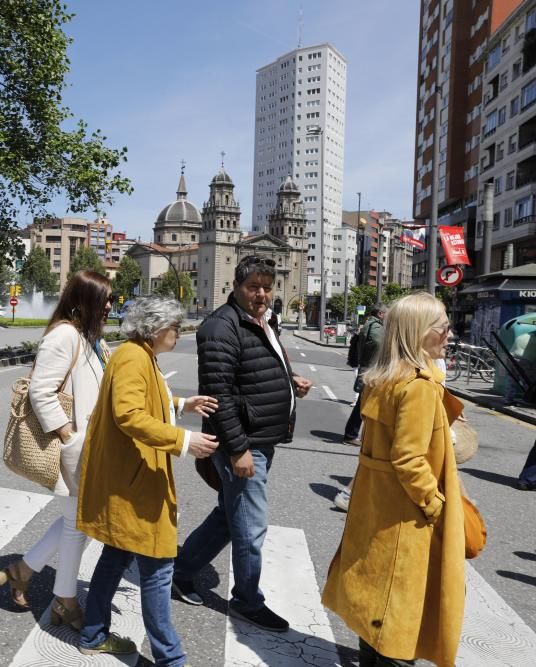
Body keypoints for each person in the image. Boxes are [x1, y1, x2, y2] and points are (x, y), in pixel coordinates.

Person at [322, 292, 465, 667]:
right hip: (405, 515)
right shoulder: (417, 386)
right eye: (443, 328)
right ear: (420, 333)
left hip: (376, 507)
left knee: (374, 614)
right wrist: (434, 504)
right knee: (399, 626)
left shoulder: (384, 378)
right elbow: (409, 458)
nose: (449, 335)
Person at [172, 255, 312, 633]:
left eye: (267, 287)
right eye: (254, 287)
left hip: (261, 437)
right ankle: (248, 601)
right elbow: (219, 394)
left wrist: (290, 379)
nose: (262, 294)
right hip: (243, 442)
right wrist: (237, 450)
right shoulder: (220, 327)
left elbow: (253, 370)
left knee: (229, 515)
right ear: (236, 286)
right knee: (250, 525)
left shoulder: (259, 321)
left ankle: (181, 571)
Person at [76, 297, 220, 665]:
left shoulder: (138, 355)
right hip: (135, 482)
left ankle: (92, 633)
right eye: (175, 327)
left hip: (132, 479)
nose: (177, 332)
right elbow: (129, 413)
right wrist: (185, 440)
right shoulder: (133, 357)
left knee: (116, 556)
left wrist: (181, 404)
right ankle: (171, 659)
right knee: (158, 567)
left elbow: (146, 398)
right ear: (157, 329)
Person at [0, 270, 113, 629]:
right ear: (84, 300)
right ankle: (64, 600)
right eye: (104, 298)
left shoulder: (93, 338)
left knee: (79, 521)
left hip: (94, 446)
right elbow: (41, 391)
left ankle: (23, 570)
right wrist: (68, 434)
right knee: (79, 523)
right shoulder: (64, 335)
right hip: (78, 446)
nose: (110, 304)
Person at [341, 303, 386, 447]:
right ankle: (352, 435)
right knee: (364, 404)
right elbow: (378, 343)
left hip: (368, 368)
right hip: (372, 370)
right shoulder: (376, 327)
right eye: (386, 314)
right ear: (380, 314)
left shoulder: (369, 324)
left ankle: (354, 434)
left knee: (363, 403)